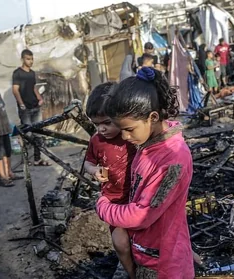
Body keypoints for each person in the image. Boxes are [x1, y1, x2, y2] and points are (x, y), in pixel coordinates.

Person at [97, 67, 194, 279]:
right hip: (148, 252)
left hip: (163, 265)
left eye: (129, 129)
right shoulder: (148, 144)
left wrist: (103, 206)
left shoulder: (172, 160)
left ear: (152, 117)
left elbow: (142, 215)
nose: (124, 136)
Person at [84, 82, 137, 279]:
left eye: (107, 122)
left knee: (142, 242)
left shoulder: (131, 135)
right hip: (114, 201)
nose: (102, 129)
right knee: (121, 243)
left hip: (138, 198)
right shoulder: (96, 141)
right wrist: (93, 170)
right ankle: (133, 274)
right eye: (96, 124)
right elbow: (88, 162)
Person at [12, 49, 50, 166]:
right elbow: (15, 90)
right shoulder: (17, 73)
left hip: (35, 107)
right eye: (28, 59)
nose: (31, 61)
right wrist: (21, 103)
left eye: (32, 59)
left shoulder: (32, 73)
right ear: (23, 59)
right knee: (27, 135)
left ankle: (37, 159)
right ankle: (26, 159)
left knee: (38, 133)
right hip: (25, 109)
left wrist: (40, 98)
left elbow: (33, 88)